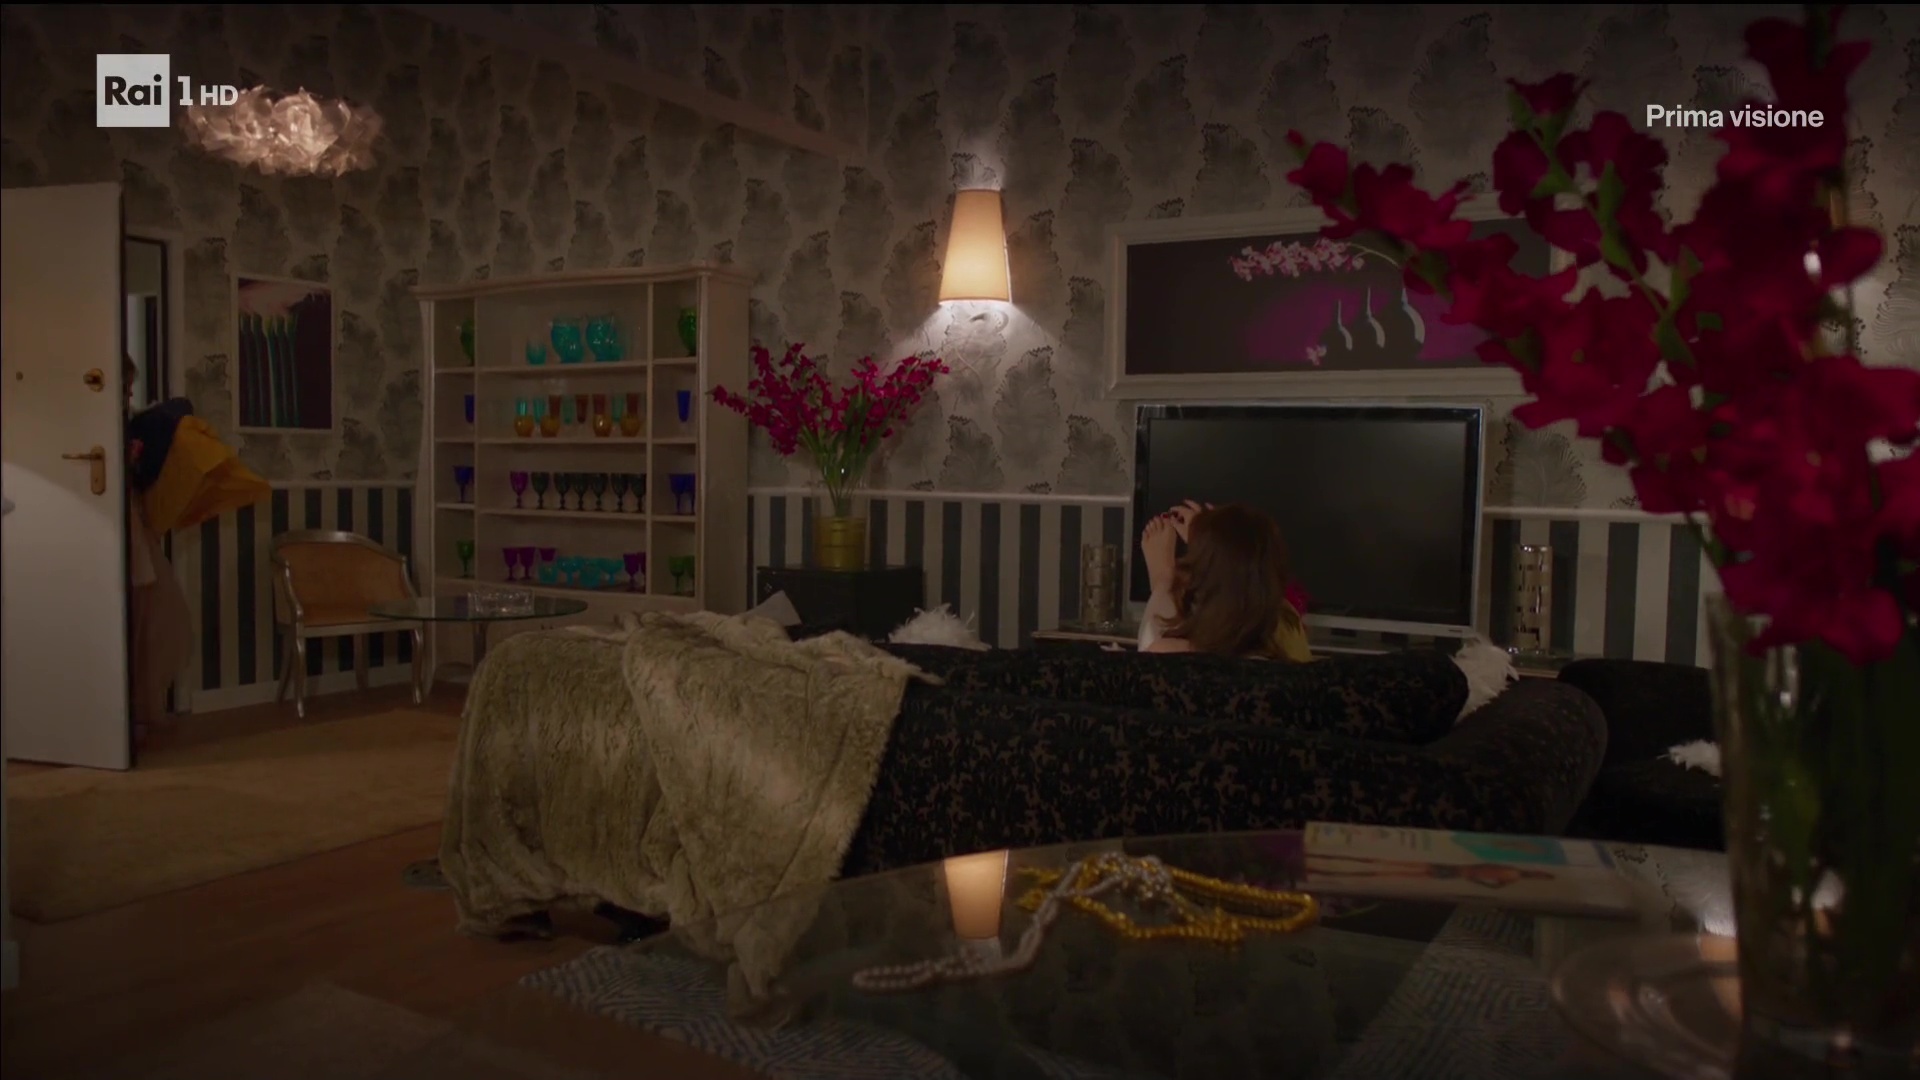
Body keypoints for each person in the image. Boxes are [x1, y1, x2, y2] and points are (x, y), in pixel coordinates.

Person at [1138, 501, 1313, 661]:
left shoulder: (1168, 657)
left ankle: (1164, 579)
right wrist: (1220, 548)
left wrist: (1163, 579)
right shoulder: (1289, 631)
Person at [125, 355, 193, 746]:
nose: (128, 396)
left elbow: (178, 408)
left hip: (136, 525)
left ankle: (140, 707)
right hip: (123, 526)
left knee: (154, 616)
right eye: (124, 388)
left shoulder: (132, 425)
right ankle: (130, 711)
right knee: (134, 616)